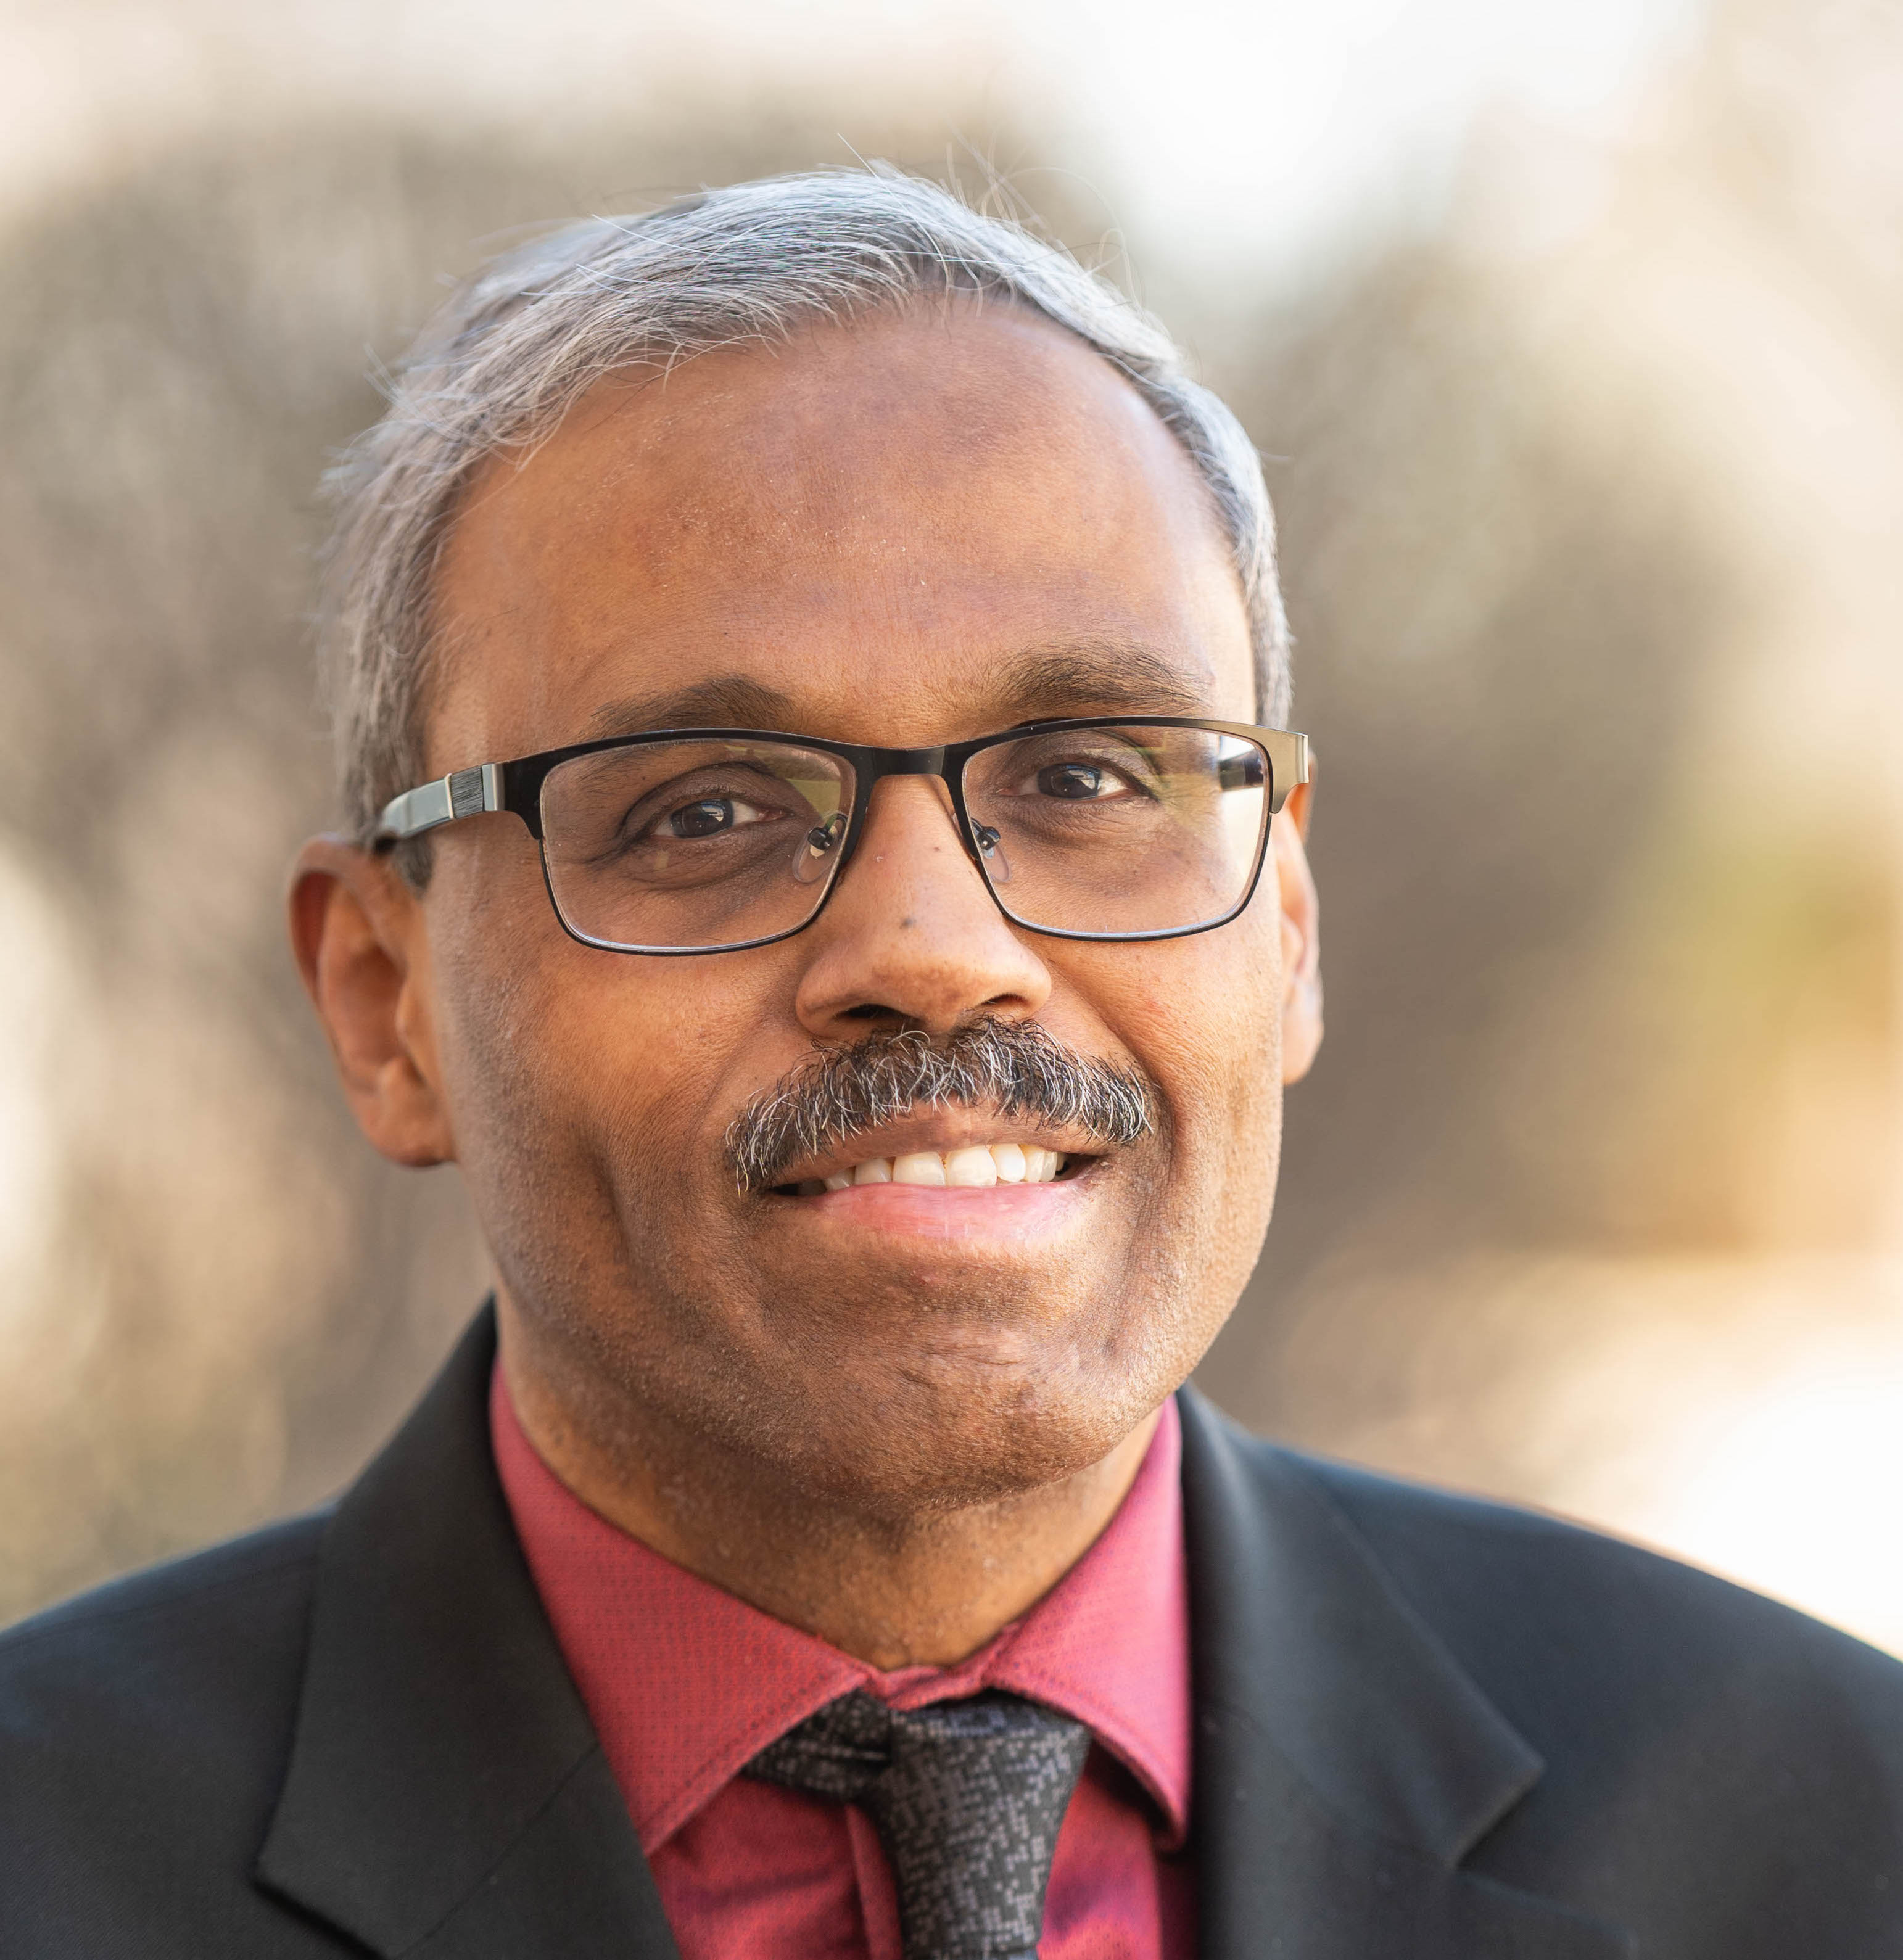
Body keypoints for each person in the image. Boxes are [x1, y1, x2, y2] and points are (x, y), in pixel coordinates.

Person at [3, 168, 1901, 1960]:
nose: (934, 952)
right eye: (706, 808)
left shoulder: (1828, 1829)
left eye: (1088, 778)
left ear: (1289, 915)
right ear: (383, 999)